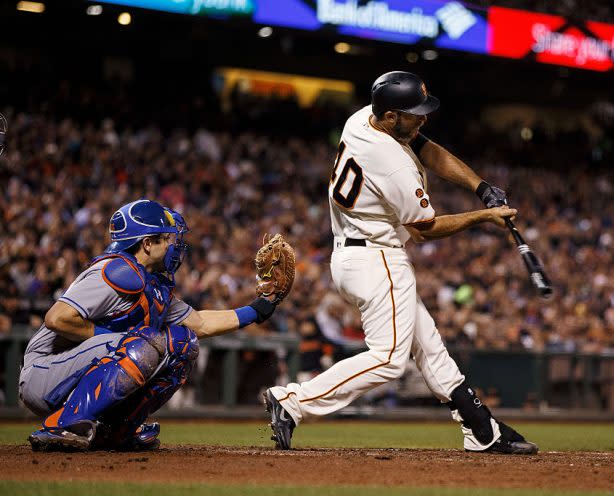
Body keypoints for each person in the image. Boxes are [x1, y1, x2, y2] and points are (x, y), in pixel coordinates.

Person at [264, 71, 538, 454]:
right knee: (390, 360)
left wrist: (479, 187)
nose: (423, 118)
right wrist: (483, 217)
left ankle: (481, 428)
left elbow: (427, 148)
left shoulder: (362, 119)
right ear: (391, 116)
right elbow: (424, 230)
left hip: (353, 255)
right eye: (414, 113)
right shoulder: (392, 162)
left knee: (428, 347)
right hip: (378, 259)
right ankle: (294, 400)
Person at [20, 199, 282, 451]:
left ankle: (117, 430)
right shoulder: (115, 271)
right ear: (147, 243)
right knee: (144, 343)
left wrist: (261, 306)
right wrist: (119, 338)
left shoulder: (152, 283)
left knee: (183, 344)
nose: (174, 245)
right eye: (167, 238)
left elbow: (200, 324)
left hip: (79, 368)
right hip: (44, 374)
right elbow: (58, 318)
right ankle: (61, 425)